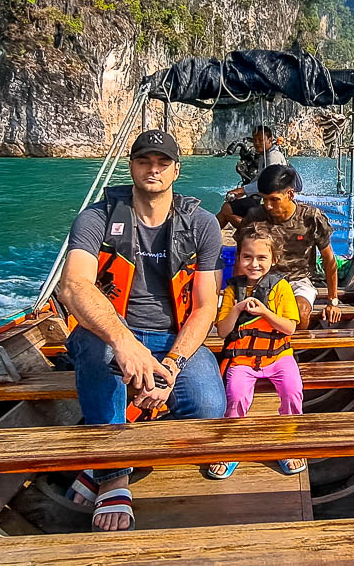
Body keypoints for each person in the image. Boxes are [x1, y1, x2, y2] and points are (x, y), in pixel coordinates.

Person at [53, 129, 225, 532]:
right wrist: (125, 343)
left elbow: (204, 307)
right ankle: (113, 474)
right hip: (110, 333)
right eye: (144, 161)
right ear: (130, 166)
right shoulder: (96, 218)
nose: (153, 169)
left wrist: (171, 366)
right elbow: (74, 286)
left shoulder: (201, 224)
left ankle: (119, 428)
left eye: (162, 162)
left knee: (206, 410)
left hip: (173, 337)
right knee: (99, 352)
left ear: (176, 170)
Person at [204, 223, 305, 479]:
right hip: (243, 358)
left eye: (262, 258)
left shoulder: (281, 288)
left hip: (278, 357)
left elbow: (290, 328)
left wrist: (265, 312)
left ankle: (288, 444)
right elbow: (223, 332)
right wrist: (237, 309)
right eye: (247, 257)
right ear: (239, 258)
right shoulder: (231, 289)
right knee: (235, 396)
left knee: (293, 391)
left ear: (273, 259)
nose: (254, 264)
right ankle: (231, 447)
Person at [243, 164, 343, 330]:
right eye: (264, 199)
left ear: (290, 194)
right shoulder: (255, 216)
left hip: (299, 279)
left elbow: (329, 259)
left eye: (274, 200)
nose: (268, 206)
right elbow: (242, 255)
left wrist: (332, 300)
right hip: (263, 278)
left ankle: (290, 351)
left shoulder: (311, 218)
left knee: (300, 314)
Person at [216, 125, 290, 228]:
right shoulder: (265, 155)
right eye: (255, 140)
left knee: (227, 209)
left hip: (270, 201)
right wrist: (243, 191)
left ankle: (254, 232)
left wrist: (243, 190)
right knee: (228, 210)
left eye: (261, 140)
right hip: (262, 198)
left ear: (270, 140)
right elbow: (259, 177)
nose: (257, 143)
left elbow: (269, 183)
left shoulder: (273, 156)